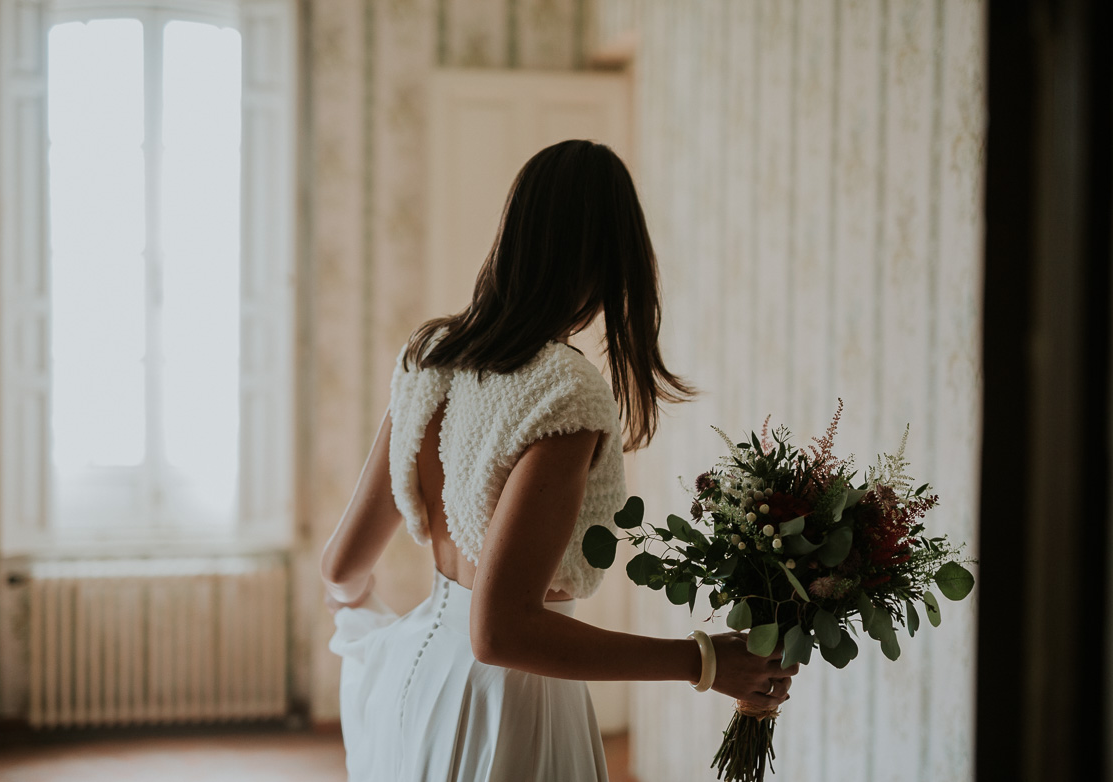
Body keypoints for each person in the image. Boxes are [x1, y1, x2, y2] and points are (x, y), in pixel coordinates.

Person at [320, 139, 797, 782]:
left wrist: (374, 633)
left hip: (414, 684)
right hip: (510, 704)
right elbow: (501, 633)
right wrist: (704, 661)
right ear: (609, 262)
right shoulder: (562, 393)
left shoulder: (430, 356)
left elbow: (341, 568)